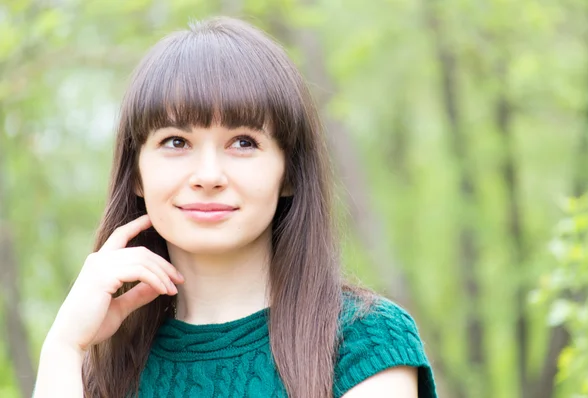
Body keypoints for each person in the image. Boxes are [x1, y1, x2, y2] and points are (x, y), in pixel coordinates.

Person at [33, 16, 437, 398]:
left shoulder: (366, 343)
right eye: (176, 142)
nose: (208, 175)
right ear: (136, 174)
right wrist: (64, 348)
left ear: (289, 173)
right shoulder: (100, 371)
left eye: (243, 142)